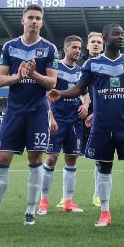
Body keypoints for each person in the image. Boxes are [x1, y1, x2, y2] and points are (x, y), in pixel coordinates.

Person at [47, 24, 124, 228]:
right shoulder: (93, 65)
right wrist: (61, 94)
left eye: (122, 34)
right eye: (116, 34)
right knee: (104, 168)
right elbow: (78, 89)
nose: (121, 37)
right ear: (105, 38)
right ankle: (104, 213)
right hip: (102, 127)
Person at [0, 4, 57, 226]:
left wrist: (33, 73)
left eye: (38, 18)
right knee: (2, 158)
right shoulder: (10, 47)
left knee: (35, 158)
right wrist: (18, 76)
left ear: (42, 22)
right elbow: (0, 80)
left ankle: (30, 212)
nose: (34, 21)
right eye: (30, 17)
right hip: (14, 111)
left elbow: (52, 82)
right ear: (23, 20)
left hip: (38, 111)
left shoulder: (49, 48)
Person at [37, 35, 88, 215]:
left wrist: (86, 104)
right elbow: (46, 94)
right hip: (57, 118)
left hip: (75, 120)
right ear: (65, 49)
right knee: (51, 158)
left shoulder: (82, 70)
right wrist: (50, 117)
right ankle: (43, 201)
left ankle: (68, 201)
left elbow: (85, 93)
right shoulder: (55, 68)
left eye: (79, 47)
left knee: (71, 159)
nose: (77, 50)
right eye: (74, 47)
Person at [83, 31, 104, 208]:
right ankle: (67, 198)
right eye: (93, 42)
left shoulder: (107, 66)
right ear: (87, 46)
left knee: (101, 158)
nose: (96, 44)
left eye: (99, 42)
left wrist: (96, 112)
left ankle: (98, 194)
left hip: (100, 117)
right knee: (70, 156)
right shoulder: (82, 66)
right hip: (78, 116)